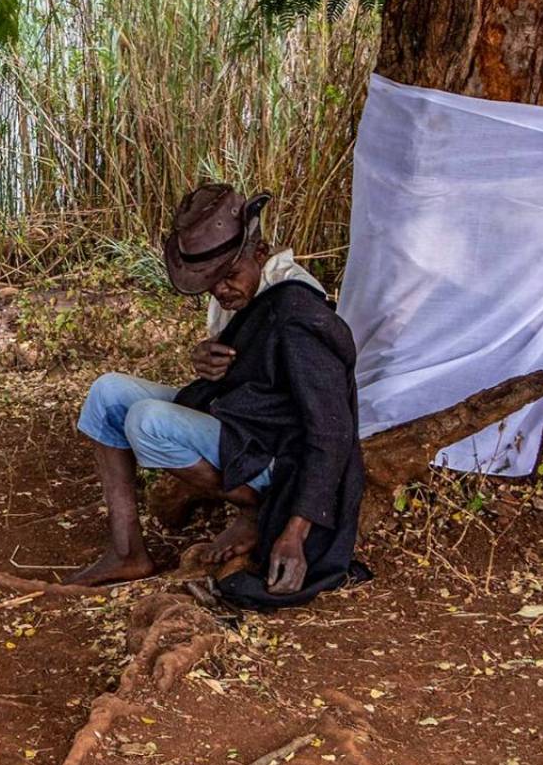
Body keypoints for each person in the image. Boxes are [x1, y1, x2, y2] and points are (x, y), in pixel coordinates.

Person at [70, 183, 367, 608]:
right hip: (237, 419)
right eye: (211, 282)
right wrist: (204, 361)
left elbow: (332, 433)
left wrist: (293, 531)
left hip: (273, 453)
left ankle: (259, 511)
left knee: (146, 421)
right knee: (107, 393)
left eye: (229, 275)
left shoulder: (299, 317)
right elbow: (245, 369)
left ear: (261, 253)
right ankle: (127, 552)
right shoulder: (248, 293)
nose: (221, 290)